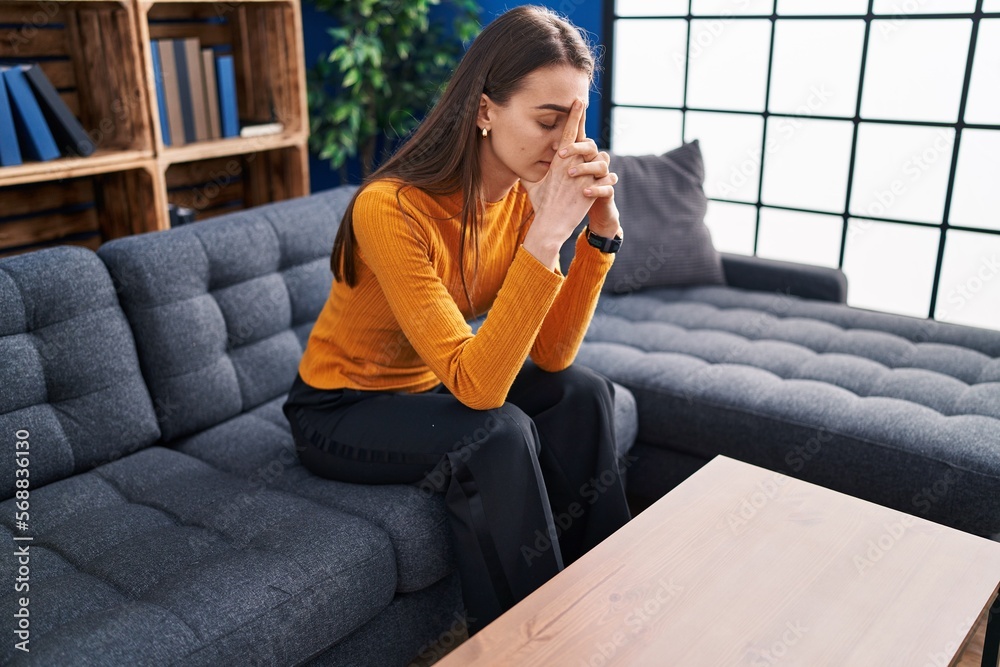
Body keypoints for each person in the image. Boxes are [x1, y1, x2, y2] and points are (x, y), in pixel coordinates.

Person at [282, 4, 630, 635]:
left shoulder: (524, 197)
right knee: (493, 433)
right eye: (548, 120)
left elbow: (552, 357)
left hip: (433, 383)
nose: (564, 144)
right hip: (338, 407)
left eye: (575, 122)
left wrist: (599, 238)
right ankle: (530, 644)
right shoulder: (389, 209)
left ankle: (601, 603)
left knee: (581, 392)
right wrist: (549, 233)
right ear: (484, 109)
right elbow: (480, 392)